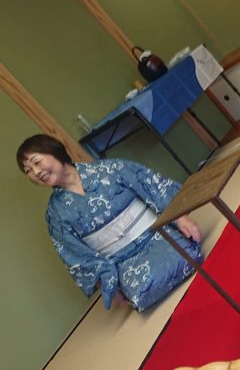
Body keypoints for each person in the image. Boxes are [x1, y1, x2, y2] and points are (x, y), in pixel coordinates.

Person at [16, 134, 203, 312]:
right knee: (143, 290)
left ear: (54, 151)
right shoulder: (55, 214)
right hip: (124, 263)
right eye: (28, 171)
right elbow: (76, 257)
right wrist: (108, 287)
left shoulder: (110, 168)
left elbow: (151, 186)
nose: (36, 172)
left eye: (36, 162)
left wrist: (180, 218)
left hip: (156, 235)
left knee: (185, 255)